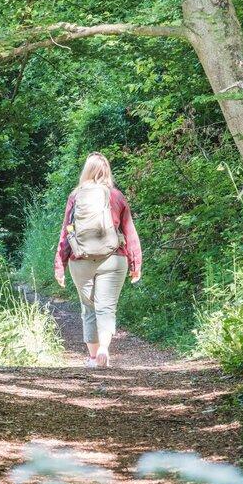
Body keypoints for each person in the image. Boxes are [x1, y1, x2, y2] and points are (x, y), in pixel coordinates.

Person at [55, 152, 142, 369]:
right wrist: (135, 263)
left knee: (89, 308)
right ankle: (104, 347)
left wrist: (60, 264)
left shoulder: (76, 196)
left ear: (86, 171)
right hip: (114, 259)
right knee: (106, 308)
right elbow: (129, 230)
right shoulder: (116, 196)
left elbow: (67, 231)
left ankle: (93, 358)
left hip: (80, 259)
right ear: (107, 172)